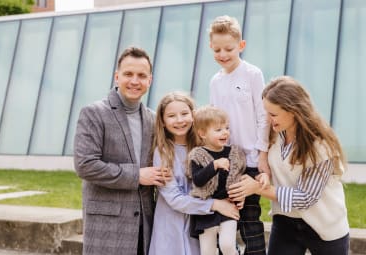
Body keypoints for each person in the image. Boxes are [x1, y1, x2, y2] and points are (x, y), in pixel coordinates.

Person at [228, 76, 350, 255]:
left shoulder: (320, 145)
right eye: (266, 113)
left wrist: (257, 189)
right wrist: (264, 176)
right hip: (286, 220)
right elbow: (275, 167)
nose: (268, 120)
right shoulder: (274, 133)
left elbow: (306, 197)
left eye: (273, 114)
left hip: (325, 226)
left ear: (293, 111)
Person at [74, 47, 171, 255]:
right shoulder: (94, 113)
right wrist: (137, 175)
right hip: (107, 226)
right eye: (128, 74)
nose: (135, 81)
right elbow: (85, 165)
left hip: (145, 226)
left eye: (141, 76)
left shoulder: (154, 119)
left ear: (149, 80)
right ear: (117, 77)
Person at [208, 15, 270, 255]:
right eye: (217, 49)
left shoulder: (253, 74)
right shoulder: (214, 81)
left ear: (241, 46)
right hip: (226, 163)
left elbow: (263, 116)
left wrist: (262, 154)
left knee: (250, 221)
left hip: (251, 161)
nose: (223, 54)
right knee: (225, 222)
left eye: (229, 49)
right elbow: (214, 121)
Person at [149, 93, 240, 255]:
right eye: (171, 116)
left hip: (202, 225)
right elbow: (174, 199)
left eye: (184, 114)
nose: (179, 120)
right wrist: (215, 204)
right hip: (171, 227)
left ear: (193, 115)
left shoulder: (207, 148)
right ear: (162, 121)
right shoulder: (163, 152)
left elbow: (227, 177)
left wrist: (237, 193)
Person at [187, 106, 246, 255]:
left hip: (228, 207)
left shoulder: (234, 153)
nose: (225, 132)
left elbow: (239, 177)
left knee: (226, 245)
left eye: (226, 128)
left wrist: (240, 196)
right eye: (218, 130)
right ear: (202, 134)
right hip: (206, 209)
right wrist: (214, 165)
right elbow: (198, 180)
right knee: (207, 251)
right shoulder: (197, 154)